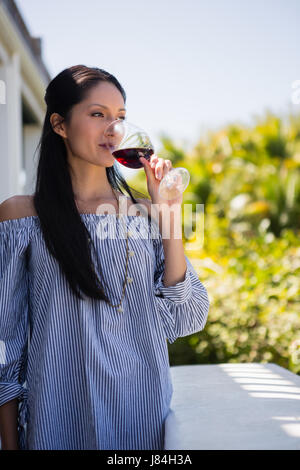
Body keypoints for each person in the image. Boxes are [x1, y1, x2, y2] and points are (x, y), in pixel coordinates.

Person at [0, 65, 210, 450]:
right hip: (56, 423)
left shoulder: (146, 215)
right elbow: (4, 340)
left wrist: (169, 214)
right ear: (60, 125)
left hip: (142, 421)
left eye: (121, 117)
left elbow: (185, 318)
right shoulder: (20, 215)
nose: (113, 129)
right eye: (98, 114)